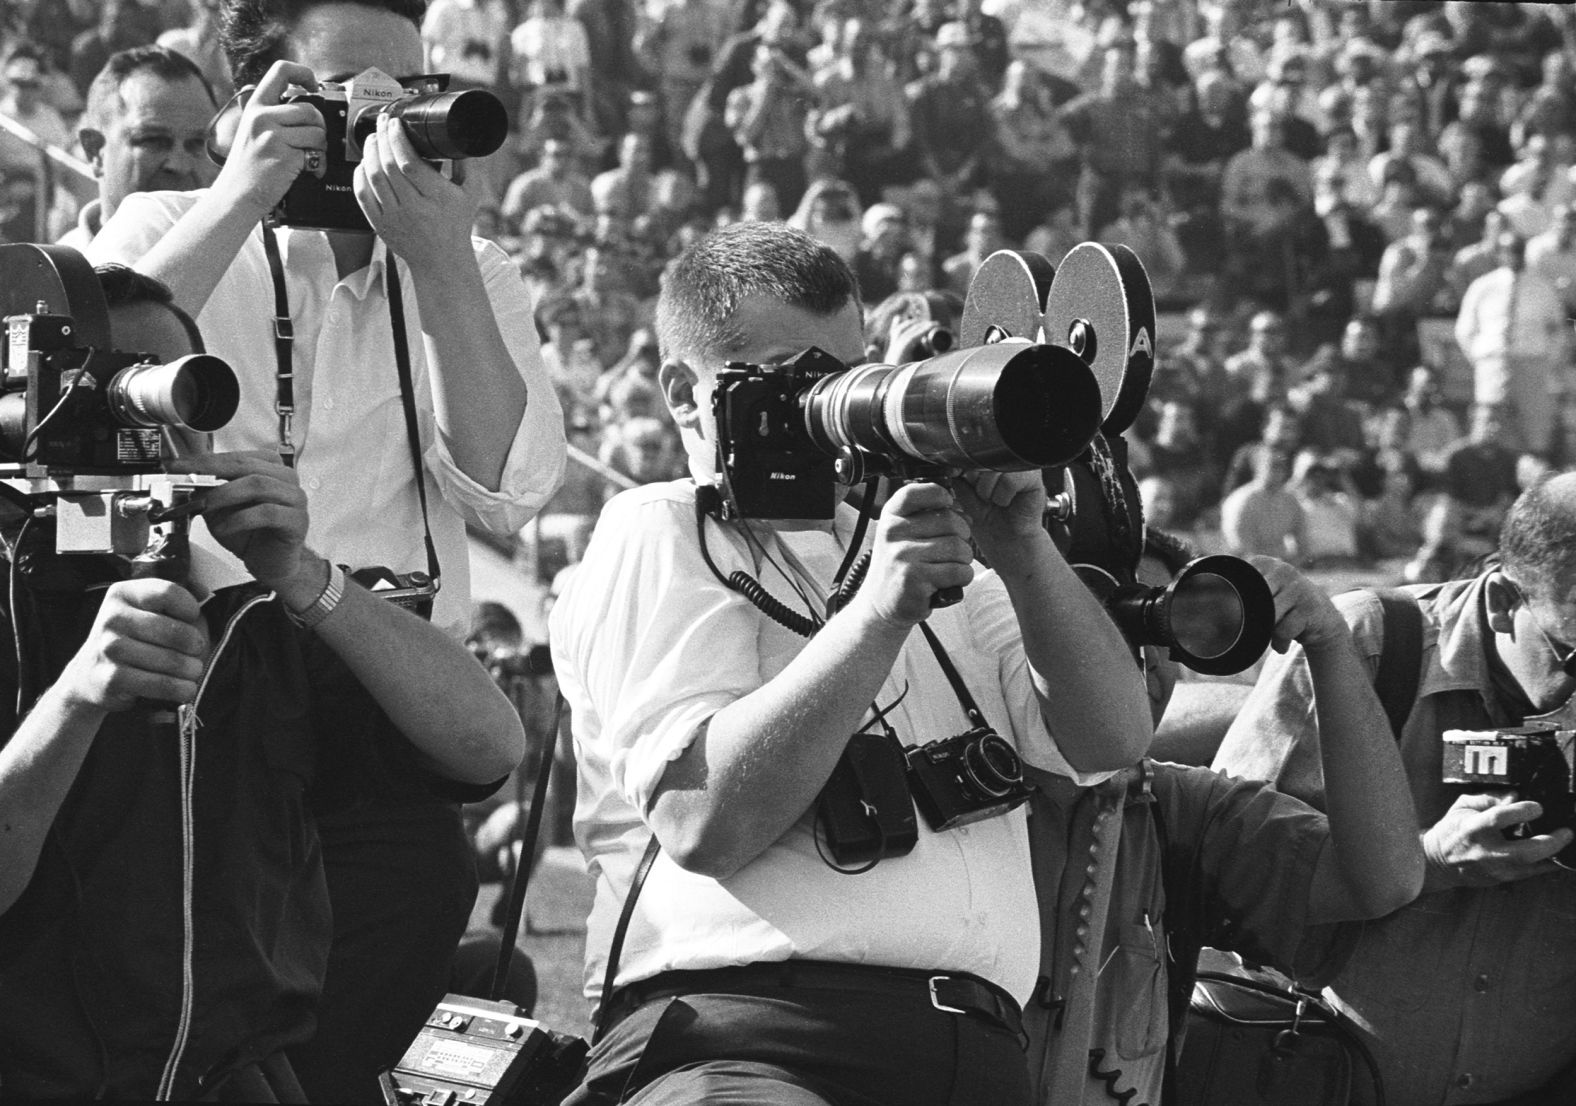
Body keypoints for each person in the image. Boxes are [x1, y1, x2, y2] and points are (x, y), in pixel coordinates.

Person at [550, 221, 1152, 1105]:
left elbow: (1112, 739)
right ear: (686, 393)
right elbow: (702, 820)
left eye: (850, 377)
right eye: (799, 382)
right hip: (751, 1040)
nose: (832, 412)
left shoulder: (921, 540)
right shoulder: (664, 525)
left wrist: (1022, 548)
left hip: (979, 1056)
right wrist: (877, 612)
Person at [87, 1, 567, 1098]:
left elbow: (505, 488)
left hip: (376, 668)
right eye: (345, 92)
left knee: (411, 902)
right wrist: (247, 188)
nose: (381, 119)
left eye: (409, 91)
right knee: (205, 991)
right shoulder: (170, 217)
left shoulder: (468, 263)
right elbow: (99, 378)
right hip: (198, 676)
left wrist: (440, 258)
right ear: (256, 95)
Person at [0, 265, 523, 1099]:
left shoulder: (255, 620)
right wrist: (74, 701)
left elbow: (485, 746)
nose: (151, 428)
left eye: (174, 394)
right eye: (111, 394)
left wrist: (300, 571)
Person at [1216, 472, 1576, 1106]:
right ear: (1500, 601)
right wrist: (1427, 860)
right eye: (1573, 653)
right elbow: (1220, 879)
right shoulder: (1363, 649)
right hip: (1321, 1079)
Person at [1025, 536, 1423, 1105]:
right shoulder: (936, 789)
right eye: (1087, 619)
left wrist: (1330, 647)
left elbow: (1383, 880)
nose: (1142, 659)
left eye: (1161, 627)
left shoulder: (1175, 812)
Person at [59, 46, 217, 249]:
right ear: (95, 151)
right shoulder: (51, 277)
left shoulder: (249, 260)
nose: (180, 165)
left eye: (197, 143)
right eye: (153, 141)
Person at [1455, 231, 1569, 456]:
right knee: (1491, 421)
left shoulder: (1542, 287)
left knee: (1534, 426)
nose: (1513, 256)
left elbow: (1557, 329)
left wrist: (1548, 359)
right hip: (1493, 363)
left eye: (1517, 251)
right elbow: (1465, 329)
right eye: (1507, 251)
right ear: (1498, 254)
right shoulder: (1483, 286)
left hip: (1532, 362)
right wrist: (1482, 358)